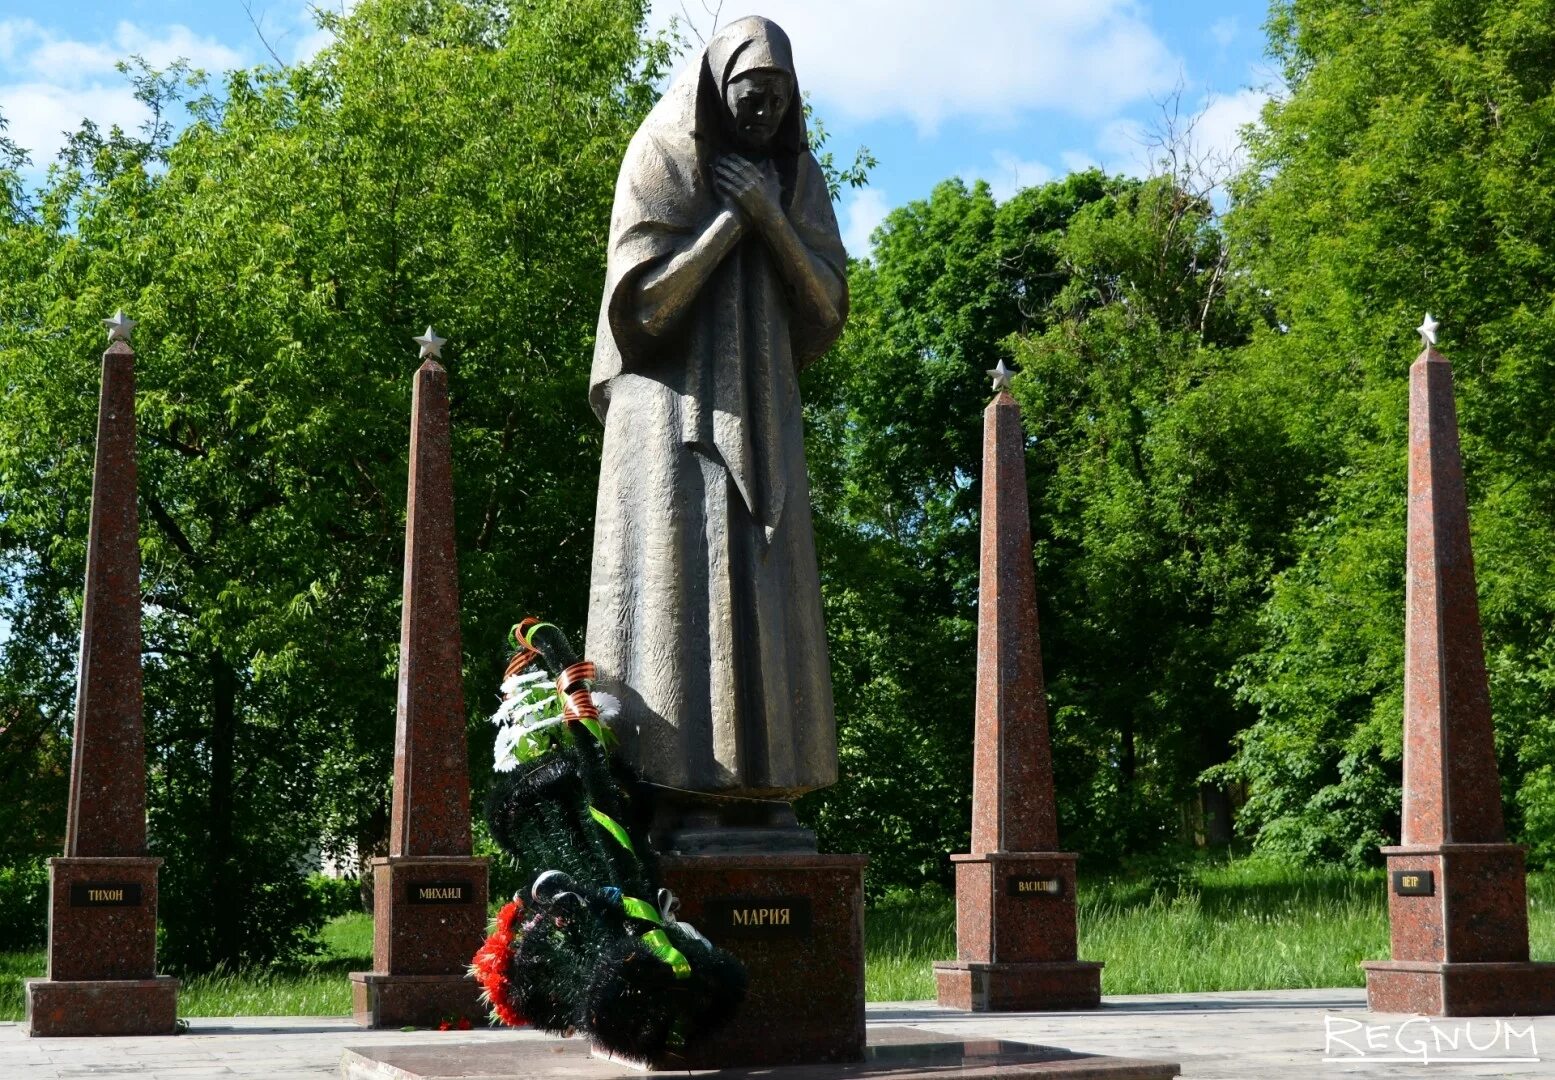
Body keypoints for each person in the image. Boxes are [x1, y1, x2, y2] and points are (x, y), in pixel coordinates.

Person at [585, 16, 848, 850]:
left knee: (765, 585)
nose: (764, 113)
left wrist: (769, 216)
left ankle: (767, 790)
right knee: (675, 587)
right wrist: (731, 221)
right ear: (716, 84)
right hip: (666, 421)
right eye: (750, 95)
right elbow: (646, 311)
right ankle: (676, 788)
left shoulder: (794, 173)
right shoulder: (662, 150)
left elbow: (827, 308)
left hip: (763, 411)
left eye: (778, 99)